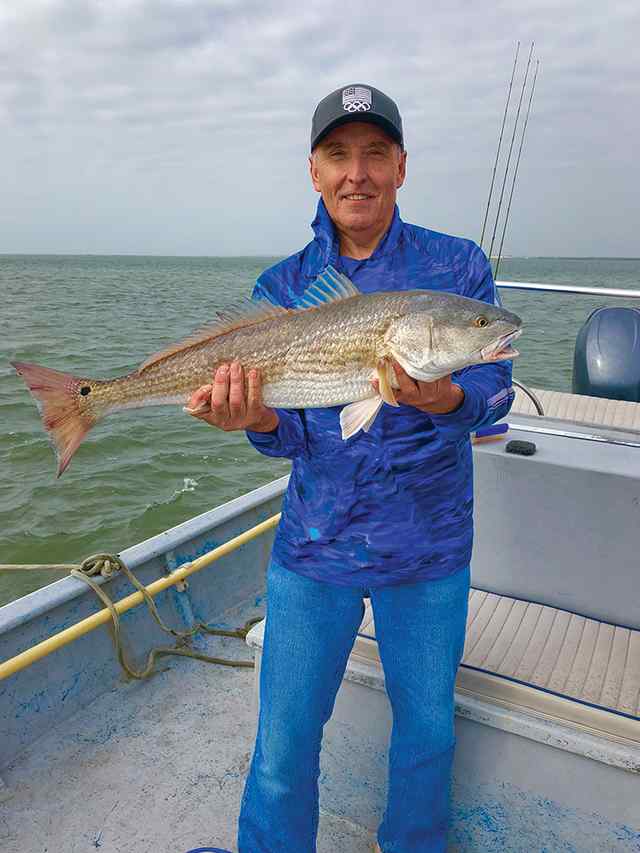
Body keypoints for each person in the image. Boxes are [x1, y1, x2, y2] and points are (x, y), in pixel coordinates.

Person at [187, 84, 514, 853]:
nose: (356, 173)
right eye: (339, 155)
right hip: (315, 545)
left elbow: (493, 394)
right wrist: (258, 417)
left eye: (374, 154)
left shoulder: (457, 267)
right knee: (282, 745)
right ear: (313, 170)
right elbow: (290, 438)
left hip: (428, 546)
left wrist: (440, 396)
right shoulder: (284, 289)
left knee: (427, 731)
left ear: (401, 166)